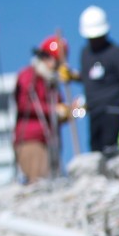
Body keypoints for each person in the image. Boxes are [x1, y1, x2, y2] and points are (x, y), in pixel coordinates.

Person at [77, 5, 119, 155]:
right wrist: (73, 76)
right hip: (94, 110)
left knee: (111, 147)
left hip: (114, 108)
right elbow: (88, 78)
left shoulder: (118, 53)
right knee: (95, 148)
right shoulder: (85, 54)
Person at [13, 34, 72, 182]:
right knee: (39, 182)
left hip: (50, 140)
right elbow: (24, 104)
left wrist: (69, 111)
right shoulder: (28, 76)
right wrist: (54, 110)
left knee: (53, 180)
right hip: (32, 140)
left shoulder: (51, 83)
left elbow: (59, 110)